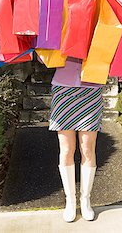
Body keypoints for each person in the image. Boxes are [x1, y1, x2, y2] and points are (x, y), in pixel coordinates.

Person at [49, 56, 104, 222]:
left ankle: (85, 199)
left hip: (91, 86)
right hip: (63, 89)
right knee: (66, 150)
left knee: (87, 148)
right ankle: (70, 201)